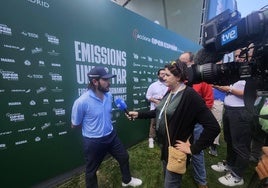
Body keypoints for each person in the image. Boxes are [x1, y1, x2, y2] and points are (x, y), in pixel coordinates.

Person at [126, 60, 220, 188]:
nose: (163, 77)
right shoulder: (169, 92)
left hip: (176, 150)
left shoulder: (190, 96)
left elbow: (213, 127)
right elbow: (160, 112)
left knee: (170, 184)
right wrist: (139, 114)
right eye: (163, 74)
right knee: (168, 177)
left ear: (178, 77)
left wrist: (194, 148)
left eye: (167, 75)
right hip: (165, 146)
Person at [71, 66, 142, 188]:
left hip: (111, 136)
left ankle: (127, 180)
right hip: (93, 141)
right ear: (95, 82)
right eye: (106, 80)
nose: (109, 83)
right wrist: (92, 128)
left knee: (124, 157)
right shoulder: (81, 102)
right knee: (91, 171)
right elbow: (75, 124)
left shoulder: (108, 95)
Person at [211, 48, 254, 186]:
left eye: (241, 56)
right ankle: (229, 165)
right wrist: (219, 87)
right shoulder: (237, 72)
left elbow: (251, 93)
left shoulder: (256, 71)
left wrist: (228, 89)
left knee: (241, 145)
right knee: (230, 140)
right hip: (230, 110)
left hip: (242, 112)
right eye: (236, 56)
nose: (238, 58)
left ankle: (237, 176)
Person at [180, 52, 214, 188]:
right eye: (179, 61)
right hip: (182, 122)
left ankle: (201, 181)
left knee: (196, 150)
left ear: (191, 62)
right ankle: (180, 168)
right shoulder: (181, 79)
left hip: (197, 123)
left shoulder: (202, 79)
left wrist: (196, 115)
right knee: (180, 146)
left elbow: (209, 102)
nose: (180, 64)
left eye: (183, 62)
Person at [146, 68, 168, 148]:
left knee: (164, 125)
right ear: (158, 75)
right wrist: (156, 101)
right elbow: (148, 96)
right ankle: (151, 139)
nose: (163, 75)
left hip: (166, 109)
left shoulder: (168, 85)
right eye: (161, 73)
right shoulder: (153, 85)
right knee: (153, 124)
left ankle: (162, 140)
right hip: (154, 109)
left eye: (165, 74)